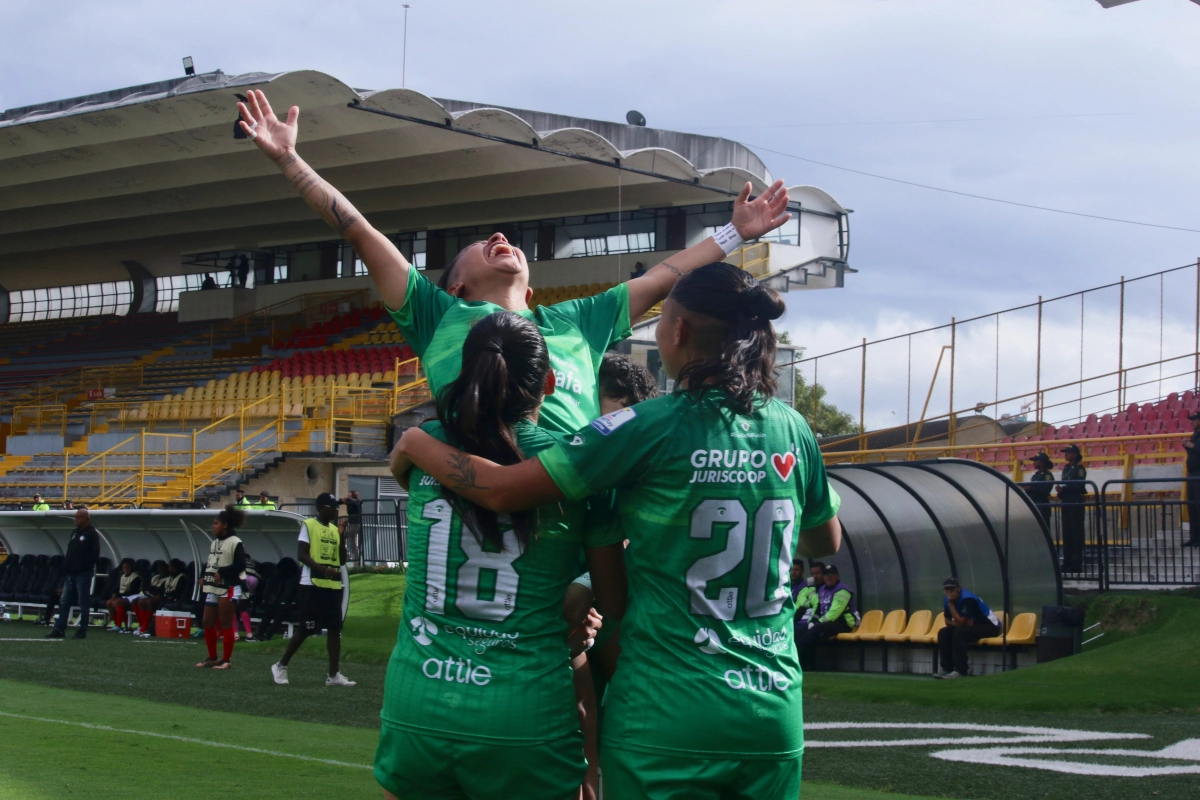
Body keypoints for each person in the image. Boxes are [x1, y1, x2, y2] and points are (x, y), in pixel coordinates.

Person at [394, 262, 842, 800]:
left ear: (677, 331)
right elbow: (825, 542)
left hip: (665, 710)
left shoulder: (643, 426)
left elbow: (507, 490)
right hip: (771, 709)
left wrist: (417, 445)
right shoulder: (792, 427)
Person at [237, 88, 792, 437]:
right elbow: (359, 230)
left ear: (532, 295)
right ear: (455, 287)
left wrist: (732, 233)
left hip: (568, 518)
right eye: (481, 244)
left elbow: (662, 277)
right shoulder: (436, 316)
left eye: (503, 238)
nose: (499, 236)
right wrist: (289, 160)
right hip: (481, 500)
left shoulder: (576, 322)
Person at [374, 311, 622, 800]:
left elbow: (408, 468)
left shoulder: (426, 448)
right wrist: (583, 590)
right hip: (524, 710)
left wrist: (417, 441)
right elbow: (616, 598)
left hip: (417, 702)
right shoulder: (572, 465)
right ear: (549, 383)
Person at [270, 493, 355, 687]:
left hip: (333, 585)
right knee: (306, 629)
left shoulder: (334, 529)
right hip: (312, 584)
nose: (335, 510)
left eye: (336, 507)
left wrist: (341, 536)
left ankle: (333, 675)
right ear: (321, 508)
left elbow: (342, 560)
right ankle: (281, 665)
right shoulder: (309, 525)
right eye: (332, 507)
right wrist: (322, 569)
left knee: (335, 630)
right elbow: (302, 554)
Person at [195, 505, 247, 669]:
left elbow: (240, 565)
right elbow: (210, 562)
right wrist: (204, 575)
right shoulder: (215, 542)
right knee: (207, 621)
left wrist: (222, 572)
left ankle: (226, 660)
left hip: (229, 586)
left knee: (225, 623)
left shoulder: (236, 542)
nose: (213, 526)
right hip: (214, 587)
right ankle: (212, 658)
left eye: (216, 523)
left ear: (225, 525)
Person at [46, 506, 100, 639]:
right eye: (76, 517)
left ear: (86, 519)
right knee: (64, 601)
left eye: (78, 517)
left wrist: (83, 567)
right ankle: (60, 629)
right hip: (70, 574)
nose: (75, 519)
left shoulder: (91, 534)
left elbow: (94, 554)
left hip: (83, 574)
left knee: (83, 601)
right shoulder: (75, 533)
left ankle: (82, 630)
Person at [933, 577, 1001, 679]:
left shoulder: (967, 599)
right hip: (973, 626)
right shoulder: (947, 599)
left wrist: (951, 605)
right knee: (943, 632)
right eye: (947, 589)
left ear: (959, 588)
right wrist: (960, 623)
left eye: (952, 588)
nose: (949, 591)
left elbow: (960, 623)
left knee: (960, 632)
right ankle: (947, 669)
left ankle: (961, 671)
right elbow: (947, 621)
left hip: (990, 626)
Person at [795, 564, 858, 671]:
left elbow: (834, 614)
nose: (828, 577)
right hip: (827, 622)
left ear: (837, 576)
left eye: (831, 575)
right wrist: (812, 621)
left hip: (844, 623)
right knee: (801, 630)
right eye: (826, 575)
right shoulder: (822, 589)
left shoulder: (842, 590)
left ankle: (801, 663)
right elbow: (818, 609)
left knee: (814, 631)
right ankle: (800, 662)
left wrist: (817, 623)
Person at [1056, 444, 1088, 572]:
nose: (1066, 455)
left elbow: (1079, 486)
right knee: (1067, 532)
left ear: (1074, 454)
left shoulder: (1079, 469)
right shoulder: (1066, 468)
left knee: (1076, 532)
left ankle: (1076, 563)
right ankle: (1067, 562)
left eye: (1068, 452)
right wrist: (1061, 491)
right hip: (1066, 500)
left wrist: (1065, 488)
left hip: (1075, 501)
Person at [132, 561, 170, 637]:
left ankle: (145, 626)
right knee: (136, 601)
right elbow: (150, 587)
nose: (160, 570)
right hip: (151, 595)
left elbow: (161, 590)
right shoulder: (155, 577)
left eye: (162, 569)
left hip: (162, 596)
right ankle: (142, 625)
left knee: (149, 602)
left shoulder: (168, 578)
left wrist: (153, 591)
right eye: (159, 569)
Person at [104, 559, 143, 633]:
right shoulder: (122, 576)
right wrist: (114, 595)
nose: (125, 570)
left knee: (116, 602)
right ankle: (116, 623)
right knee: (108, 603)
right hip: (122, 596)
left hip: (132, 596)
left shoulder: (135, 577)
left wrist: (119, 596)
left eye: (127, 568)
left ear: (131, 568)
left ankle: (122, 624)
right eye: (124, 568)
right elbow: (117, 588)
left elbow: (133, 591)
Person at [1182, 411, 1200, 547]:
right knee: (1192, 506)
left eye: (1195, 420)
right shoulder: (1195, 435)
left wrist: (1191, 446)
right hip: (1192, 473)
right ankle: (1195, 537)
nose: (1192, 422)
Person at [1024, 452, 1055, 527]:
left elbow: (1045, 490)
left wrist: (1030, 488)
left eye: (1036, 461)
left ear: (1042, 463)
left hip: (1042, 504)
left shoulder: (1047, 475)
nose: (1034, 463)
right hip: (1035, 502)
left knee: (1043, 527)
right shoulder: (1036, 475)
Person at [235, 553, 260, 640]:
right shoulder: (250, 561)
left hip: (242, 578)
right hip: (254, 579)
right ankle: (249, 633)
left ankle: (235, 634)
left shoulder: (235, 559)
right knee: (243, 607)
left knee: (233, 608)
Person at [791, 559, 822, 630]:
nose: (793, 572)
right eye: (792, 569)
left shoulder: (805, 587)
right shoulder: (786, 585)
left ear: (802, 571)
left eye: (796, 570)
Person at [340, 489, 363, 564]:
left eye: (350, 495)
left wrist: (347, 498)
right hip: (352, 525)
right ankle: (356, 560)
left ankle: (348, 556)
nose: (348, 497)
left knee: (342, 536)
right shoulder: (349, 505)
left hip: (356, 525)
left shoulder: (357, 502)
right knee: (353, 542)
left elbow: (354, 501)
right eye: (348, 495)